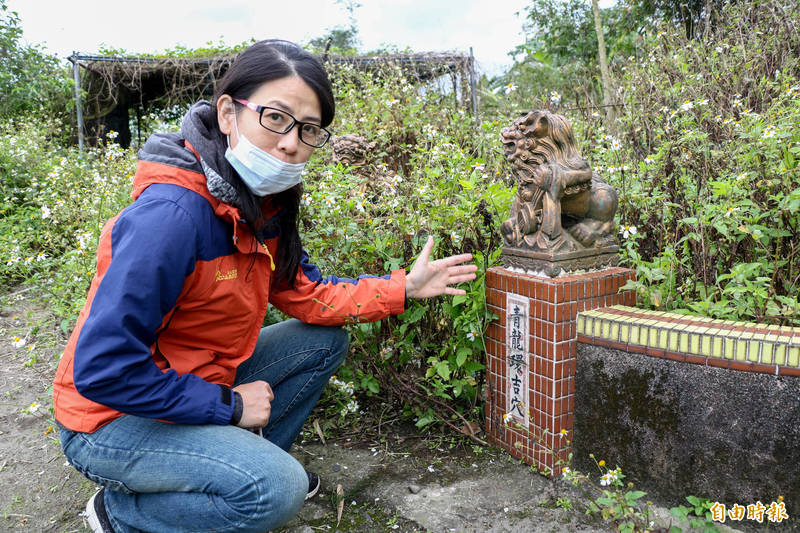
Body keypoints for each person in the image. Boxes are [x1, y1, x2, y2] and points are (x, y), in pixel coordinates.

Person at [52, 39, 477, 533]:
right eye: (275, 118)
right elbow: (103, 372)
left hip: (193, 382)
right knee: (276, 492)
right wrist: (229, 407)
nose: (292, 142)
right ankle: (123, 512)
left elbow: (308, 294)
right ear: (229, 113)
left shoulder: (260, 207)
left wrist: (402, 287)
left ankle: (246, 465)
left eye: (309, 129)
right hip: (108, 421)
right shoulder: (169, 219)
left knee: (321, 340)